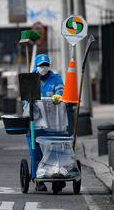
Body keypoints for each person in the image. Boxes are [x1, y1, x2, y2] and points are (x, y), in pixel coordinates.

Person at [28, 54, 64, 191]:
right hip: (35, 122)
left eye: (45, 65)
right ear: (36, 67)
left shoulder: (56, 78)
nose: (43, 68)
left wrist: (58, 96)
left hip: (53, 121)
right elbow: (25, 99)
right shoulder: (31, 79)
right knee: (36, 152)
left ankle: (57, 179)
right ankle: (39, 180)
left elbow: (61, 91)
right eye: (41, 65)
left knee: (55, 149)